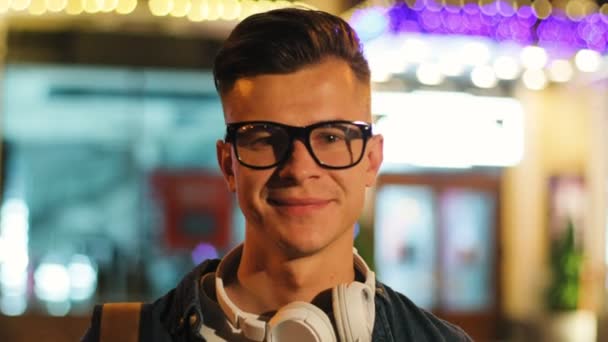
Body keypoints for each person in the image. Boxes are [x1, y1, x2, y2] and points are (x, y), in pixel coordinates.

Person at [82, 7, 472, 342]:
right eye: (266, 138)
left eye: (332, 136)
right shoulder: (125, 335)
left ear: (371, 159)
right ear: (228, 165)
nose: (300, 168)